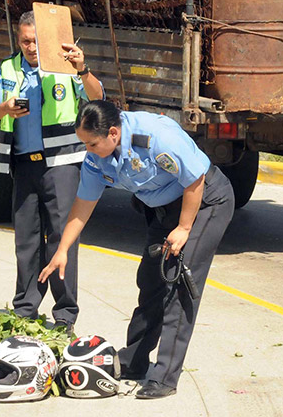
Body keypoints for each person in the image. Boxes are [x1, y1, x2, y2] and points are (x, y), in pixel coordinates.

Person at [38, 100, 235, 398]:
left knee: (178, 282)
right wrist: (63, 248)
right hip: (164, 209)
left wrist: (183, 229)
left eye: (91, 143)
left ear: (113, 133)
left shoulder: (155, 136)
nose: (87, 150)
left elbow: (195, 179)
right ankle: (134, 359)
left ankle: (165, 376)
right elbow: (83, 204)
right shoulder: (96, 158)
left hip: (205, 202)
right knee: (150, 280)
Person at [0, 11, 104, 334]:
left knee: (62, 240)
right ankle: (25, 309)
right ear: (17, 39)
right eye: (25, 41)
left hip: (61, 165)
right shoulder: (8, 70)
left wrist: (82, 68)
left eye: (35, 40)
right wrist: (5, 108)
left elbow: (97, 97)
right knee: (27, 240)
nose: (31, 47)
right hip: (24, 164)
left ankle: (64, 315)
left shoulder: (64, 66)